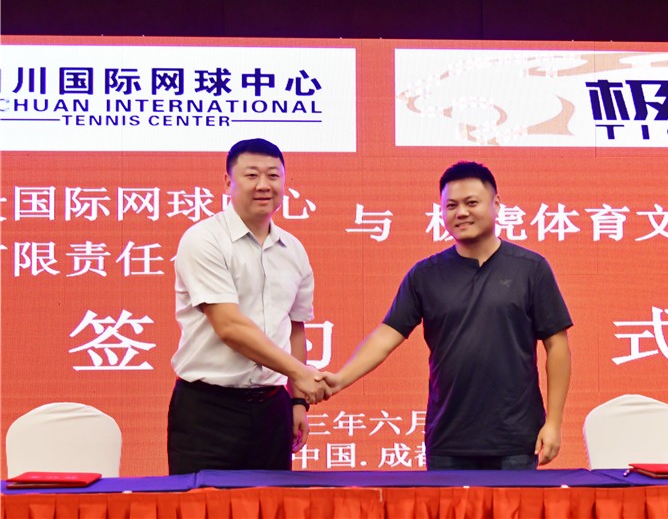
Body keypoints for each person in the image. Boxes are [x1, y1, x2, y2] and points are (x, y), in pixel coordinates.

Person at [322, 161, 572, 470]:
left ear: (496, 204)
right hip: (448, 439)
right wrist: (340, 380)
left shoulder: (531, 268)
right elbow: (386, 336)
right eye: (451, 206)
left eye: (471, 203)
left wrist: (554, 422)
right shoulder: (425, 274)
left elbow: (557, 346)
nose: (461, 213)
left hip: (516, 439)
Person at [168, 138, 329, 474]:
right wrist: (301, 373)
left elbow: (295, 328)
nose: (263, 185)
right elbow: (230, 327)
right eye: (251, 175)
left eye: (273, 175)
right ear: (228, 181)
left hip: (273, 410)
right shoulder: (204, 239)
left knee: (271, 502)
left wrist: (298, 400)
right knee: (202, 503)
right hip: (208, 411)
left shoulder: (293, 250)